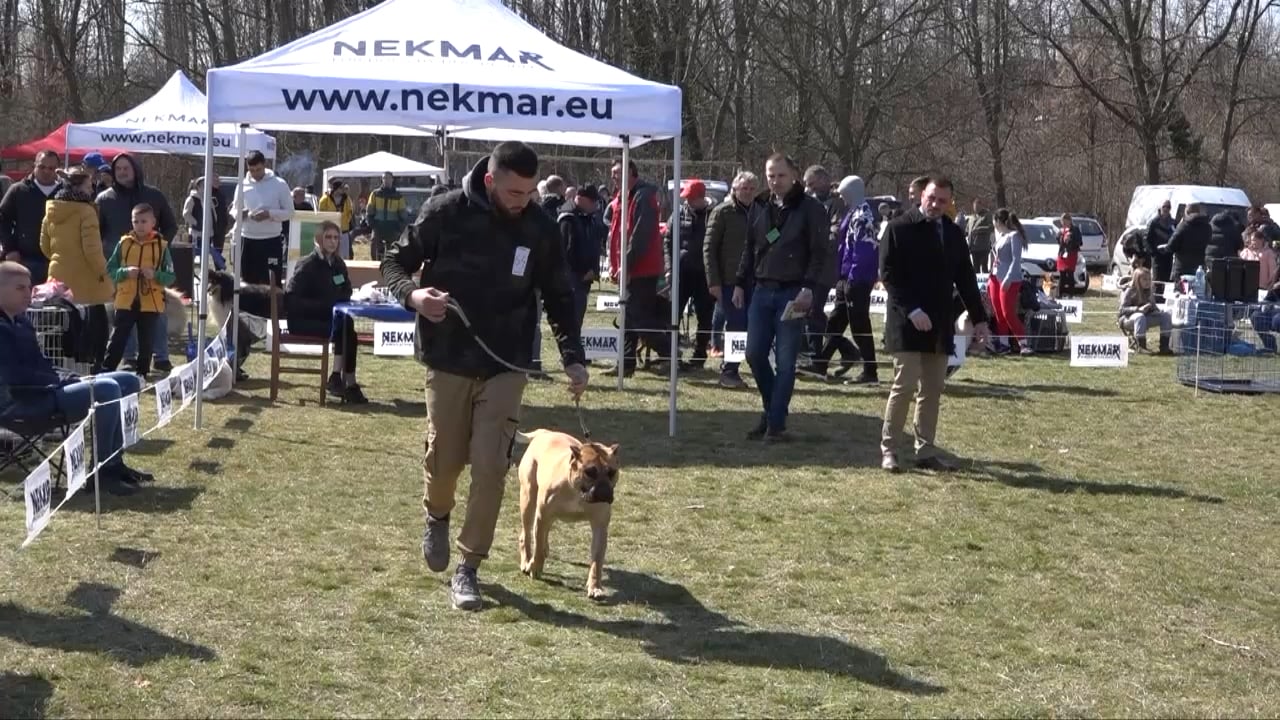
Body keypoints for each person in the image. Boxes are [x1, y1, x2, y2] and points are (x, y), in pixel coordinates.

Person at [380, 141, 588, 612]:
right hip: (448, 358)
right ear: (491, 181)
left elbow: (559, 294)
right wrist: (413, 296)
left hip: (507, 363)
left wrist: (573, 357)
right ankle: (436, 515)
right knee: (445, 460)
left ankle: (468, 566)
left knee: (492, 466)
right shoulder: (445, 212)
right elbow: (393, 262)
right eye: (515, 192)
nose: (524, 201)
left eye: (530, 192)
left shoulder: (539, 226)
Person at [0, 262, 153, 495]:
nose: (28, 293)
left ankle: (113, 463)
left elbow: (41, 365)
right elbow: (14, 376)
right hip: (24, 401)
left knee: (127, 380)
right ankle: (101, 474)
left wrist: (70, 377)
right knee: (107, 388)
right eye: (20, 288)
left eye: (29, 287)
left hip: (45, 390)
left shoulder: (21, 322)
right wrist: (62, 382)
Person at [879, 177, 989, 473]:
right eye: (931, 198)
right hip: (906, 322)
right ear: (921, 196)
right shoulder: (898, 228)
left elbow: (966, 279)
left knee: (932, 388)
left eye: (943, 200)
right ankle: (889, 449)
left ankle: (925, 450)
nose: (936, 205)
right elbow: (888, 276)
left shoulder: (953, 233)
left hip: (939, 323)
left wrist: (980, 319)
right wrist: (912, 310)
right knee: (904, 386)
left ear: (950, 202)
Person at [732, 153, 828, 441]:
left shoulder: (810, 208)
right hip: (762, 289)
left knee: (785, 363)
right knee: (754, 354)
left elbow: (819, 252)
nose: (775, 181)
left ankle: (775, 425)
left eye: (781, 175)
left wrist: (808, 288)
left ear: (794, 175)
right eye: (771, 176)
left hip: (793, 291)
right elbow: (750, 246)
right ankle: (772, 411)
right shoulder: (761, 204)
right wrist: (739, 282)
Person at [96, 153, 178, 372]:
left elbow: (171, 225)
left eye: (126, 168)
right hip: (121, 268)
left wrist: (158, 248)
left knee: (155, 317)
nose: (122, 172)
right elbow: (96, 231)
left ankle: (160, 357)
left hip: (152, 272)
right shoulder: (104, 199)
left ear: (135, 169)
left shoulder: (154, 195)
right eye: (118, 169)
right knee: (123, 318)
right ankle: (128, 358)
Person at [40, 166, 113, 371]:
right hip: (86, 279)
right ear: (78, 187)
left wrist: (60, 260)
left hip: (58, 277)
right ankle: (93, 365)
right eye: (89, 186)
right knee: (95, 325)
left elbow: (44, 246)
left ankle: (61, 366)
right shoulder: (86, 211)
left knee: (61, 325)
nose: (92, 190)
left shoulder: (51, 211)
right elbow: (92, 250)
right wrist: (104, 273)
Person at [286, 221, 367, 403]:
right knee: (346, 328)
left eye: (336, 238)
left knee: (347, 326)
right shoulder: (307, 264)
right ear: (319, 239)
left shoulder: (338, 264)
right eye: (328, 237)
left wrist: (336, 301)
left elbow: (347, 290)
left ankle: (340, 379)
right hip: (304, 320)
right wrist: (325, 305)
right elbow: (292, 299)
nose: (333, 241)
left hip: (330, 319)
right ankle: (347, 383)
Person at [816, 175, 878, 383]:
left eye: (843, 195)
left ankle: (870, 371)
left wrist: (853, 278)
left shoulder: (864, 215)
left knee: (859, 325)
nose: (841, 198)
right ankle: (820, 364)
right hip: (846, 277)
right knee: (835, 321)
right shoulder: (853, 212)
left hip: (856, 279)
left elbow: (863, 251)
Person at [102, 204, 175, 378]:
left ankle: (142, 373)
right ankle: (106, 370)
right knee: (118, 337)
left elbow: (170, 276)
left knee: (146, 341)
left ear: (153, 222)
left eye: (144, 221)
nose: (140, 225)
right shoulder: (124, 243)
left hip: (151, 301)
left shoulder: (161, 246)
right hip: (125, 300)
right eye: (136, 221)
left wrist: (155, 275)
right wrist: (125, 272)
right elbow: (110, 270)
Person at [606, 160, 664, 375]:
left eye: (617, 172)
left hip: (642, 268)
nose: (613, 177)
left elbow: (641, 234)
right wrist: (614, 264)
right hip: (627, 267)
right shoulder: (622, 197)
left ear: (630, 172)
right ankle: (625, 363)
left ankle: (669, 352)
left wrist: (627, 264)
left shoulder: (644, 196)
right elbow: (616, 233)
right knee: (627, 317)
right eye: (612, 173)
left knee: (638, 317)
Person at [705, 171, 760, 389]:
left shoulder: (762, 211)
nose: (748, 192)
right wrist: (713, 281)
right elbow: (709, 248)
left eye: (752, 189)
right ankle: (730, 370)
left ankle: (746, 366)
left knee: (752, 325)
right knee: (737, 325)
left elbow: (772, 234)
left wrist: (772, 239)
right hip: (728, 280)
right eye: (744, 188)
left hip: (756, 280)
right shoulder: (722, 212)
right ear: (735, 189)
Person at [664, 179, 715, 367]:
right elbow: (667, 241)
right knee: (673, 314)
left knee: (704, 316)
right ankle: (671, 353)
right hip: (681, 272)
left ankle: (699, 355)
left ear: (701, 197)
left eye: (690, 198)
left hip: (704, 274)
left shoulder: (713, 215)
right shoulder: (677, 213)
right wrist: (669, 267)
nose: (687, 201)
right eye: (686, 198)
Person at [0, 150, 63, 284]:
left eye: (51, 168)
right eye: (42, 167)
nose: (46, 171)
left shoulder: (66, 193)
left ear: (57, 169)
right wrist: (10, 249)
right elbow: (3, 218)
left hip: (60, 261)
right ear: (34, 165)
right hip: (26, 260)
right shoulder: (18, 190)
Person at [232, 150, 293, 286]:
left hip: (271, 241)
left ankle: (272, 301)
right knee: (247, 282)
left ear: (265, 165)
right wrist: (244, 214)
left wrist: (269, 214)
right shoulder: (242, 185)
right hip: (248, 240)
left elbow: (290, 212)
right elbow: (234, 210)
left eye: (258, 169)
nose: (255, 173)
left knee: (271, 282)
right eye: (251, 170)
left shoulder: (279, 184)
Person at [558, 184, 602, 334]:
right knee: (571, 322)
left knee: (577, 321)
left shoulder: (588, 217)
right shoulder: (568, 218)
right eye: (592, 202)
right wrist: (582, 272)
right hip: (572, 279)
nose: (595, 206)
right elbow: (566, 251)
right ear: (581, 199)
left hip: (584, 279)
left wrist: (594, 269)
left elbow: (594, 244)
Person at [988, 208, 1031, 356]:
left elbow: (1016, 260)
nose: (993, 223)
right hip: (994, 277)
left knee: (1008, 313)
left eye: (994, 220)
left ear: (998, 221)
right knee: (999, 313)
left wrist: (1008, 278)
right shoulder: (1000, 236)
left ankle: (1023, 344)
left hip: (1009, 279)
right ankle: (1003, 344)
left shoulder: (1014, 236)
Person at [1117, 266, 1173, 355]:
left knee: (1166, 316)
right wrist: (1138, 309)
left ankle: (1164, 347)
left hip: (1146, 317)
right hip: (1127, 319)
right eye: (1145, 279)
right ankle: (1141, 347)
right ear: (1137, 280)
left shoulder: (1149, 290)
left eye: (1149, 279)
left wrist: (1155, 309)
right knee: (1140, 316)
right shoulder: (1129, 290)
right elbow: (1122, 310)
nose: (1148, 282)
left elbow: (1153, 307)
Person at [184, 177, 226, 271]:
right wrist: (196, 223)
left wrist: (215, 226)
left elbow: (213, 214)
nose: (206, 187)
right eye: (203, 185)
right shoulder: (192, 199)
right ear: (198, 187)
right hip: (196, 234)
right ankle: (188, 272)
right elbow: (186, 214)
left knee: (206, 256)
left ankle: (205, 273)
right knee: (195, 255)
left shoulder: (209, 199)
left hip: (208, 233)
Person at [365, 172, 408, 261]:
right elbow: (369, 210)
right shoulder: (375, 194)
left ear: (392, 179)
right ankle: (375, 266)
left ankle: (390, 266)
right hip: (378, 226)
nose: (386, 180)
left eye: (388, 178)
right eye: (384, 178)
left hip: (392, 228)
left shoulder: (398, 196)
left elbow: (403, 214)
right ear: (382, 180)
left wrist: (399, 227)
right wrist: (372, 224)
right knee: (374, 247)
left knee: (393, 252)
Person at [1167, 203, 1211, 284]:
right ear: (1199, 212)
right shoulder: (1207, 227)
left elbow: (1171, 246)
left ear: (1186, 213)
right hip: (1199, 269)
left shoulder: (1183, 226)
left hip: (1182, 268)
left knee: (1180, 290)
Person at [318, 179, 356, 260]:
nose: (343, 190)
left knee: (344, 255)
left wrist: (345, 221)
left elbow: (350, 211)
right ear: (336, 188)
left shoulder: (346, 199)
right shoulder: (325, 199)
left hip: (343, 231)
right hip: (329, 231)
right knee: (329, 253)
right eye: (341, 188)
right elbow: (321, 213)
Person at [1143, 200, 1176, 281]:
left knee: (1167, 281)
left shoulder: (1173, 223)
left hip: (1168, 257)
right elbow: (1146, 239)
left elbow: (1176, 238)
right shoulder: (1153, 222)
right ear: (1160, 207)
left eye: (1168, 207)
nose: (1166, 209)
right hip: (1157, 257)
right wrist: (1153, 253)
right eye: (1164, 206)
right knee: (1157, 280)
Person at [1241, 227, 1278, 292]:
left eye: (1255, 240)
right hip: (1248, 285)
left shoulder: (1269, 253)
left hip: (1263, 286)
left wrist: (1270, 284)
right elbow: (1241, 265)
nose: (1253, 242)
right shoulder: (1246, 251)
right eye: (1252, 240)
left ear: (1261, 240)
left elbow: (1273, 271)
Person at [1056, 213, 1083, 296]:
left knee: (1070, 274)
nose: (1063, 224)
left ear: (1069, 221)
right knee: (1062, 274)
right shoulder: (1061, 230)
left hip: (1071, 254)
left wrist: (1070, 239)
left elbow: (1080, 242)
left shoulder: (1075, 230)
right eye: (1062, 222)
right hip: (1062, 254)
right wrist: (1061, 237)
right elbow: (1058, 240)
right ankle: (1060, 294)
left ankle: (1071, 294)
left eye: (1065, 222)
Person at [965, 199, 994, 273]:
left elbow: (991, 228)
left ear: (981, 206)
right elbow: (968, 231)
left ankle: (986, 280)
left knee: (984, 268)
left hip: (983, 247)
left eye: (977, 207)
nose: (976, 209)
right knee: (975, 269)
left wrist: (979, 229)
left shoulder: (987, 215)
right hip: (973, 247)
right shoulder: (972, 217)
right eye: (974, 207)